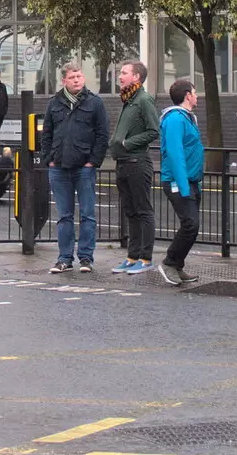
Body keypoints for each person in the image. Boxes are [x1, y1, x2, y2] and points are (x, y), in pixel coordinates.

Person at [43, 62, 110, 273]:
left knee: (88, 214)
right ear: (64, 80)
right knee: (64, 216)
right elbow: (46, 134)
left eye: (79, 76)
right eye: (72, 77)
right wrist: (49, 159)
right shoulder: (54, 103)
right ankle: (64, 258)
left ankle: (86, 258)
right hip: (59, 167)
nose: (77, 80)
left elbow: (102, 134)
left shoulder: (94, 102)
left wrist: (93, 162)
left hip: (84, 168)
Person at [108, 60, 160, 274]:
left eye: (124, 73)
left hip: (137, 163)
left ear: (137, 77)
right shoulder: (129, 100)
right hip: (123, 164)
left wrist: (128, 143)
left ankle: (146, 259)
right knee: (130, 212)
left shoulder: (143, 100)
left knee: (143, 211)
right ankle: (132, 256)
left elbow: (153, 131)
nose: (120, 76)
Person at [157, 78, 204, 286]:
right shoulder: (176, 119)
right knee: (191, 224)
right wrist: (184, 187)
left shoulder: (186, 118)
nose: (197, 96)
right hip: (177, 182)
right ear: (187, 95)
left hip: (190, 181)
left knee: (191, 224)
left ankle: (177, 266)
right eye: (195, 92)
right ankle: (169, 262)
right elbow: (176, 155)